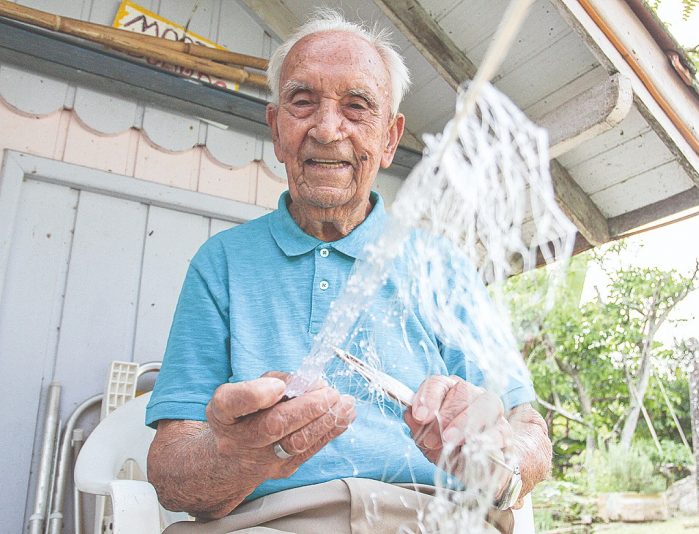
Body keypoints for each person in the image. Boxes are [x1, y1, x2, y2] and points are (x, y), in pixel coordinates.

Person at [146, 11, 552, 533]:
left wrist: (499, 461)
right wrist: (238, 456)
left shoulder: (443, 267)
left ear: (389, 138)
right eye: (302, 102)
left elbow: (529, 430)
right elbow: (170, 473)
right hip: (269, 524)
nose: (327, 128)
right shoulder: (221, 263)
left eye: (356, 106)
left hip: (429, 520)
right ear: (276, 128)